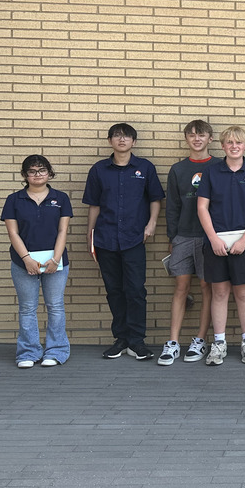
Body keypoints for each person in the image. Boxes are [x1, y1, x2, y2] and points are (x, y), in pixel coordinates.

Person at [83, 123, 165, 361]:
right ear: (110, 141)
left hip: (133, 238)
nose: (122, 140)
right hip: (106, 238)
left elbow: (155, 199)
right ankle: (121, 339)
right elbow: (94, 205)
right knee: (114, 291)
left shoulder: (145, 168)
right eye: (117, 136)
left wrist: (151, 224)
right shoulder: (99, 170)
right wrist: (90, 233)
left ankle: (137, 341)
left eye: (126, 136)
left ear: (134, 142)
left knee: (136, 290)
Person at [196, 126, 245, 366]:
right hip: (216, 243)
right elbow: (202, 207)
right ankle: (219, 343)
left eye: (238, 143)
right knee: (219, 292)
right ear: (223, 146)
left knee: (243, 292)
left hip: (243, 243)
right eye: (229, 143)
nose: (234, 146)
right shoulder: (211, 172)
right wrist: (214, 239)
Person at [2, 155, 73, 368]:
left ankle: (57, 351)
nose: (37, 174)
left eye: (42, 170)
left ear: (50, 173)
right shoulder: (14, 200)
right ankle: (28, 352)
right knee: (27, 308)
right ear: (25, 175)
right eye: (32, 171)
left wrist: (55, 259)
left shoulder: (61, 198)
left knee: (55, 306)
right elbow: (13, 233)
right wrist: (27, 259)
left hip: (56, 263)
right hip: (23, 262)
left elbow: (63, 231)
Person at [159, 119, 217, 366]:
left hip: (209, 237)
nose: (196, 139)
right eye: (192, 135)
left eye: (201, 135)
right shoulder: (178, 169)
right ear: (186, 139)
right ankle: (173, 343)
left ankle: (200, 340)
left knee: (207, 287)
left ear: (210, 139)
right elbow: (171, 206)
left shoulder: (219, 166)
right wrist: (172, 237)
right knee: (181, 288)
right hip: (183, 235)